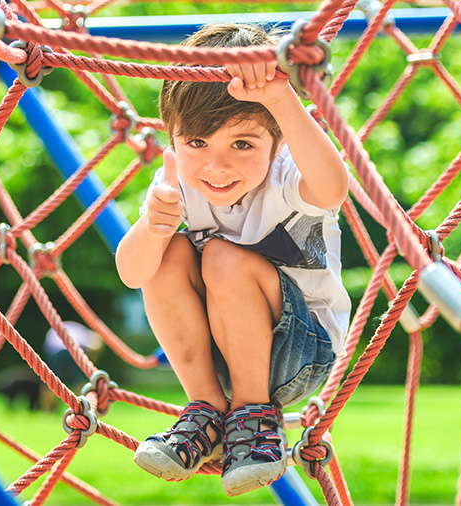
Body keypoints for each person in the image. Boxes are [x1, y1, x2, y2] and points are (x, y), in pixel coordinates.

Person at [114, 23, 351, 496]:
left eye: (242, 144)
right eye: (196, 144)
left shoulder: (288, 174)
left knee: (221, 256)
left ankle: (253, 416)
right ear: (173, 140)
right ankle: (205, 411)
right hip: (218, 352)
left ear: (276, 143)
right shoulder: (176, 183)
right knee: (169, 252)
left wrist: (282, 101)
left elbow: (332, 188)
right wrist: (153, 227)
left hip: (302, 354)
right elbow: (132, 273)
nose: (216, 167)